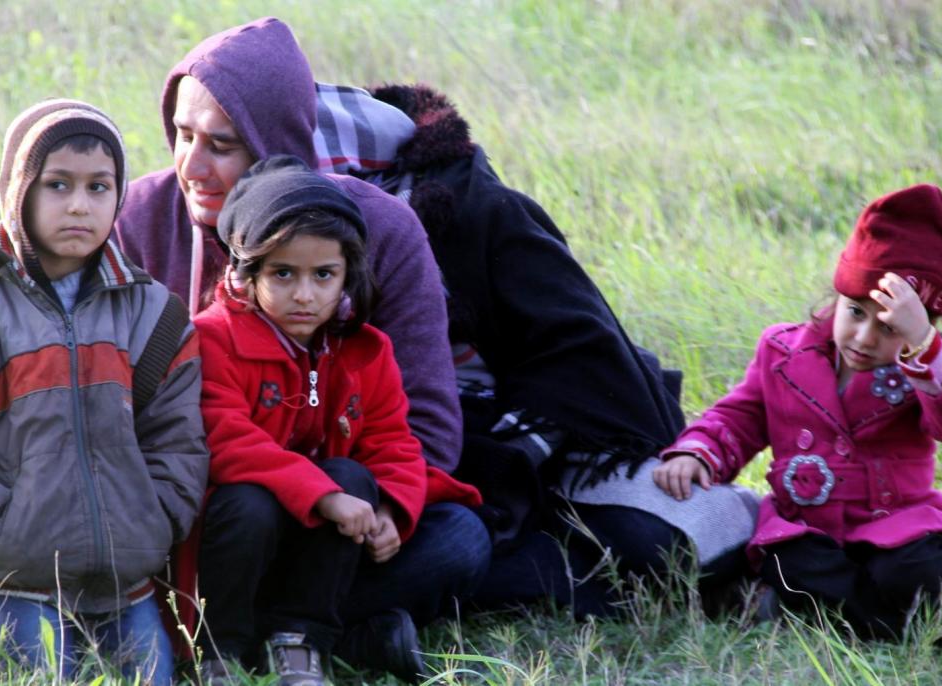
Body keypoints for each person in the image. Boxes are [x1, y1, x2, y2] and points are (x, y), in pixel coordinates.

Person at [312, 83, 759, 617]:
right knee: (448, 539)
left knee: (660, 541)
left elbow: (585, 357)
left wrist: (503, 457)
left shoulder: (480, 215)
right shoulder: (286, 240)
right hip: (424, 454)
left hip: (544, 437)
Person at [0, 100, 209, 683]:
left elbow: (178, 437)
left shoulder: (155, 316)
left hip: (123, 582)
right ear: (17, 190)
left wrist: (153, 522)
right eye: (58, 185)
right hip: (9, 575)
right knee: (43, 674)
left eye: (98, 186)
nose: (79, 205)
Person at [653, 184, 942, 640]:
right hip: (807, 527)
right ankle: (941, 624)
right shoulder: (783, 352)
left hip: (897, 529)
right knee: (793, 571)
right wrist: (700, 451)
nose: (865, 338)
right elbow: (741, 416)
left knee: (911, 570)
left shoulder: (927, 368)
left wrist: (924, 346)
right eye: (855, 312)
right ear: (838, 296)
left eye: (889, 327)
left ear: (922, 328)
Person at [112, 17, 463, 478]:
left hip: (352, 500)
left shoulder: (384, 230)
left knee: (459, 541)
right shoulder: (137, 218)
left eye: (220, 145)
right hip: (199, 493)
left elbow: (428, 431)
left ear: (275, 148)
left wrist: (368, 510)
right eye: (183, 135)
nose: (191, 167)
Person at [180, 156, 485, 684]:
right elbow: (224, 441)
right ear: (245, 271)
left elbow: (394, 441)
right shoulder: (211, 338)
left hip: (322, 553)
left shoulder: (365, 350)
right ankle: (223, 649)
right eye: (283, 273)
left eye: (324, 274)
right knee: (249, 501)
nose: (305, 294)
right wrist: (323, 496)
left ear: (348, 273)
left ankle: (300, 640)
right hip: (232, 551)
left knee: (458, 536)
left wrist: (390, 507)